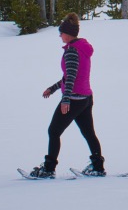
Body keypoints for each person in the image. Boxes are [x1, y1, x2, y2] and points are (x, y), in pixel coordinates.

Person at [30, 13, 106, 178]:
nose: (60, 36)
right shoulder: (82, 48)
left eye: (61, 33)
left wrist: (65, 99)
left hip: (74, 99)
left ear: (68, 34)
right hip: (86, 98)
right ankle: (98, 167)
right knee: (89, 133)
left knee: (54, 131)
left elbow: (71, 76)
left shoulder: (71, 51)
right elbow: (71, 75)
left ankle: (48, 169)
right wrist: (53, 88)